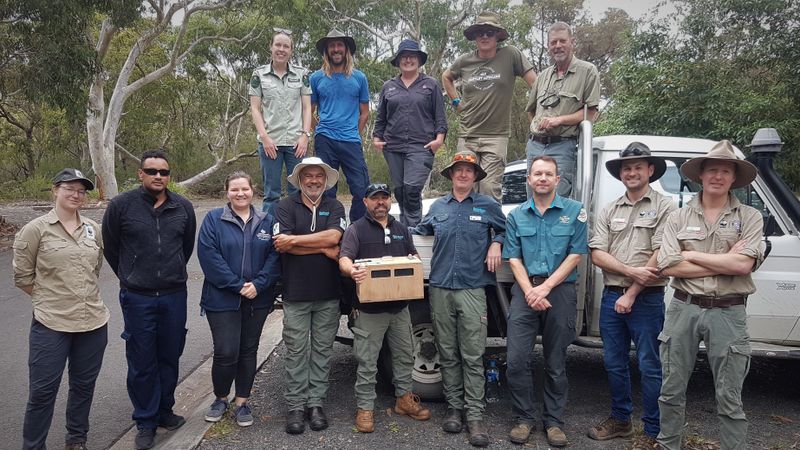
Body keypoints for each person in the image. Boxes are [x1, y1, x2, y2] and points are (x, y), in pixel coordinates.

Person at [656, 140, 763, 450]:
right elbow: (666, 264)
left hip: (728, 314)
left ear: (733, 178)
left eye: (725, 171)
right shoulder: (677, 217)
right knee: (671, 389)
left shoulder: (750, 217)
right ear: (700, 175)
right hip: (683, 310)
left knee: (729, 396)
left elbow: (743, 265)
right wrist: (724, 260)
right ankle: (668, 445)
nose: (718, 176)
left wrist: (690, 257)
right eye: (712, 169)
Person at [102, 150, 197, 450]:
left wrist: (168, 273)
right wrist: (131, 275)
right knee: (142, 361)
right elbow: (112, 247)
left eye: (164, 172)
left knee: (170, 355)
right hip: (137, 297)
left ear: (170, 176)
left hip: (173, 296)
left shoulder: (183, 207)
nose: (159, 176)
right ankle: (145, 421)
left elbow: (186, 247)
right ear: (140, 174)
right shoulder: (121, 206)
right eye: (152, 171)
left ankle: (164, 411)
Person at [412, 150, 506, 447]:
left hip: (473, 289)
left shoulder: (488, 205)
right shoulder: (438, 207)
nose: (463, 174)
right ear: (451, 175)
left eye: (469, 170)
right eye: (458, 170)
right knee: (448, 353)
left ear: (476, 176)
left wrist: (496, 243)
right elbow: (419, 232)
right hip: (440, 288)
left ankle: (475, 415)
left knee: (473, 354)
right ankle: (454, 408)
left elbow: (506, 231)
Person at [587, 143, 676, 447]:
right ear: (621, 173)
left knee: (650, 364)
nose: (632, 172)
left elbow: (662, 251)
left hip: (647, 299)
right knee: (613, 362)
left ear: (650, 170)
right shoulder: (610, 209)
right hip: (612, 296)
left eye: (639, 166)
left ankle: (652, 430)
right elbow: (597, 253)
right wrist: (631, 271)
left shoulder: (666, 207)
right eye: (627, 167)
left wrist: (635, 289)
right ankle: (621, 420)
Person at [13, 169, 108, 450]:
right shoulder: (35, 229)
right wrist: (50, 299)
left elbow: (96, 267)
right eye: (69, 188)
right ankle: (33, 445)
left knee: (83, 388)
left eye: (81, 190)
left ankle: (76, 440)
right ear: (55, 190)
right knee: (42, 392)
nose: (76, 194)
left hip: (92, 322)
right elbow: (23, 277)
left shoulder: (92, 227)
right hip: (51, 324)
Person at [502, 155, 588, 447]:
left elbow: (576, 254)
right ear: (529, 179)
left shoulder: (575, 211)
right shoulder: (516, 215)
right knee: (515, 361)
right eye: (537, 173)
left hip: (560, 291)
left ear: (557, 179)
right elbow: (513, 257)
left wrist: (546, 287)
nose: (542, 178)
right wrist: (531, 291)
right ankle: (524, 419)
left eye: (547, 174)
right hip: (526, 291)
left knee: (555, 362)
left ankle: (554, 422)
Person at [338, 183, 431, 433]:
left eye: (384, 198)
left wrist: (415, 261)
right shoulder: (356, 230)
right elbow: (344, 259)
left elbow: (413, 257)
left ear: (390, 201)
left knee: (404, 356)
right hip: (369, 311)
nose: (380, 202)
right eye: (375, 198)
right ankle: (365, 408)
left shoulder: (401, 229)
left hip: (400, 309)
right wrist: (351, 269)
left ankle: (404, 399)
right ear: (366, 202)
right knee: (367, 362)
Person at [197, 171, 281, 427]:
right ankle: (221, 398)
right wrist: (237, 286)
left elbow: (275, 257)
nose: (240, 193)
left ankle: (242, 402)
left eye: (244, 188)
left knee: (248, 350)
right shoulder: (213, 219)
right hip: (221, 298)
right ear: (227, 193)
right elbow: (209, 257)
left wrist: (258, 284)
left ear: (252, 190)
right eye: (235, 189)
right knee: (226, 351)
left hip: (258, 298)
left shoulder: (267, 221)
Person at [273, 157, 347, 434]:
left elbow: (334, 239)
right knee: (295, 352)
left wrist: (295, 240)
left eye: (319, 176)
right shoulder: (285, 206)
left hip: (328, 294)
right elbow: (282, 245)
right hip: (296, 293)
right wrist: (318, 245)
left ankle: (315, 404)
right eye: (308, 176)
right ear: (300, 180)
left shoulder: (335, 205)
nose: (314, 180)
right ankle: (295, 406)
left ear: (326, 180)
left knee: (322, 351)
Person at [442, 11, 536, 202]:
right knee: (464, 188)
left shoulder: (510, 55)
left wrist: (533, 112)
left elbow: (536, 85)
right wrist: (456, 102)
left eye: (490, 32)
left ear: (497, 35)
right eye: (480, 32)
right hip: (468, 134)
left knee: (488, 188)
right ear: (475, 36)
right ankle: (466, 231)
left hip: (496, 136)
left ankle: (493, 232)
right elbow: (446, 77)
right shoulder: (464, 61)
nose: (484, 36)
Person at [373, 39, 447, 227]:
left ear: (419, 60)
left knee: (412, 190)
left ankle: (413, 231)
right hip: (393, 146)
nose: (408, 60)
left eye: (412, 56)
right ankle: (405, 233)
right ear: (398, 61)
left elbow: (440, 116)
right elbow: (381, 116)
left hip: (421, 146)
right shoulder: (388, 86)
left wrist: (439, 139)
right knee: (400, 192)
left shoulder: (431, 85)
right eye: (404, 57)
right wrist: (376, 138)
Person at [525, 21, 600, 198]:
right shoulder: (542, 76)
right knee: (533, 202)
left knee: (556, 202)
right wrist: (537, 129)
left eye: (562, 41)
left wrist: (559, 120)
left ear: (572, 42)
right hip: (535, 146)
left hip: (563, 146)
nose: (558, 46)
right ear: (548, 46)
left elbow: (590, 114)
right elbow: (530, 110)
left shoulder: (588, 71)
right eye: (553, 42)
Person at [249, 29, 312, 215]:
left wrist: (305, 136)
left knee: (297, 191)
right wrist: (264, 137)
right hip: (271, 143)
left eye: (286, 46)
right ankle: (269, 235)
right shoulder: (259, 74)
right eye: (278, 45)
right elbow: (255, 108)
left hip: (296, 143)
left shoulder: (302, 75)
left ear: (291, 50)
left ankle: (297, 232)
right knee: (272, 193)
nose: (281, 49)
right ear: (271, 47)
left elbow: (307, 107)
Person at [310, 29, 371, 222]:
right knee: (326, 188)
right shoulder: (316, 78)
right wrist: (317, 130)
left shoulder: (359, 78)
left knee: (361, 188)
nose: (336, 49)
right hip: (325, 139)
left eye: (339, 45)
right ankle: (331, 227)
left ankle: (357, 228)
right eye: (332, 46)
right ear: (327, 50)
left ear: (346, 49)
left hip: (350, 140)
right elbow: (309, 110)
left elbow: (365, 112)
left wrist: (355, 132)